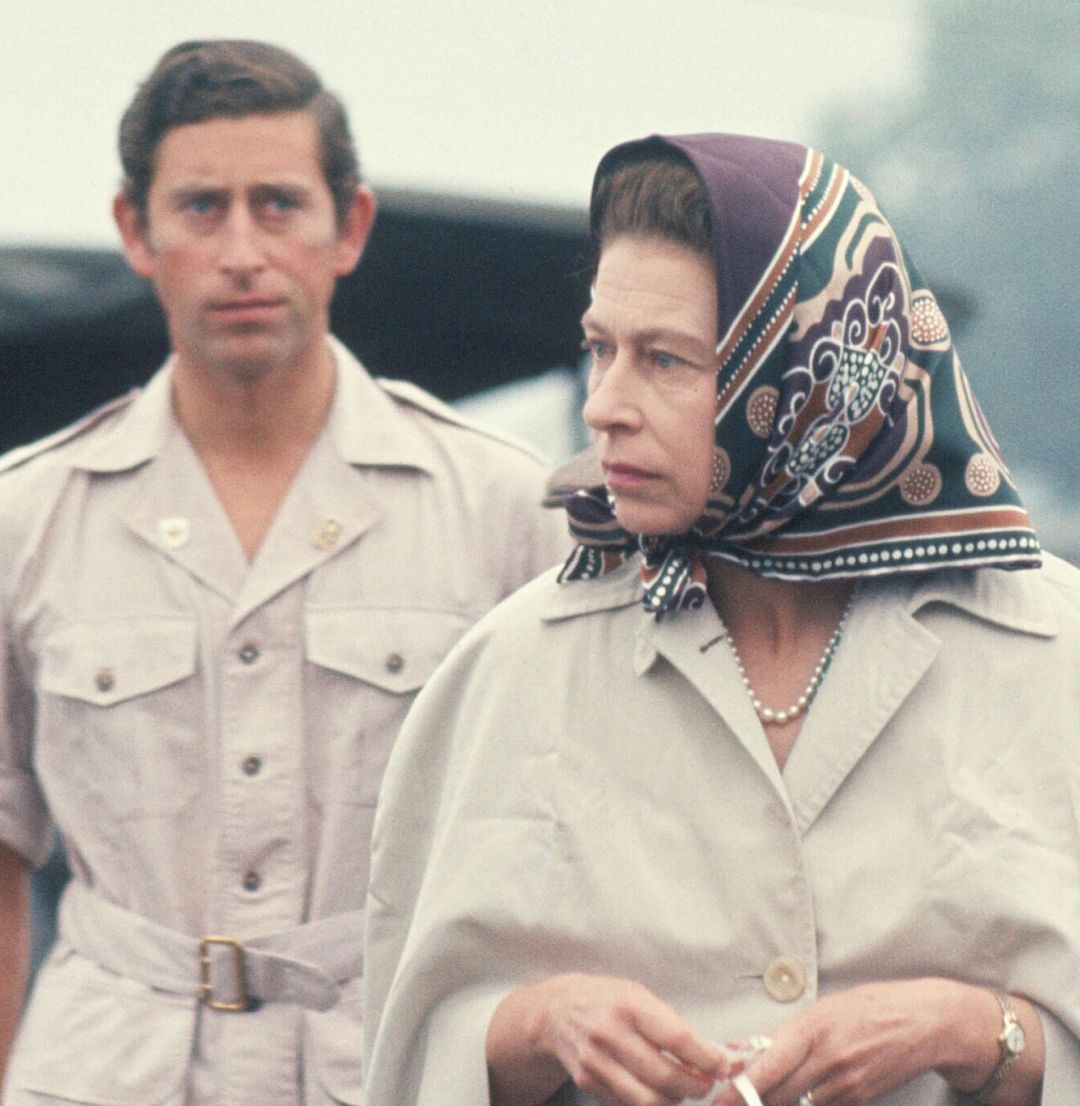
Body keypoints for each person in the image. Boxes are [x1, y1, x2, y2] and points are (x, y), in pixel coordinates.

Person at [361, 132, 1080, 1106]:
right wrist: (541, 1020)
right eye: (599, 349)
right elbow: (408, 1045)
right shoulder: (514, 665)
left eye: (665, 360)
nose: (606, 405)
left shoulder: (1051, 651)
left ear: (817, 371)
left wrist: (970, 1029)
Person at [0, 39, 566, 1106]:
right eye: (202, 208)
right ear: (136, 230)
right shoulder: (27, 517)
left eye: (279, 204)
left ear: (348, 225)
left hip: (387, 1059)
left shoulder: (500, 506)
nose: (243, 250)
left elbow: (573, 851)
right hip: (103, 1066)